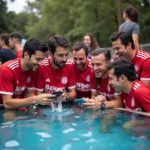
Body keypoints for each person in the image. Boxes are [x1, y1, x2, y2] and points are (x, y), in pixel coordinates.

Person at [0, 38, 54, 109]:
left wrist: (50, 97)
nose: (40, 63)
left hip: (13, 106)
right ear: (26, 54)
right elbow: (7, 103)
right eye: (38, 59)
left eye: (42, 59)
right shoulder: (8, 70)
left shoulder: (33, 69)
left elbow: (29, 93)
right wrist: (35, 99)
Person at [35, 35, 76, 100]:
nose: (65, 59)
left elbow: (73, 93)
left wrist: (66, 95)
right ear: (50, 54)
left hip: (63, 106)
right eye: (60, 55)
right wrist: (54, 96)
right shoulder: (42, 67)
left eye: (66, 54)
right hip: (46, 106)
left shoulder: (70, 65)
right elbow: (38, 95)